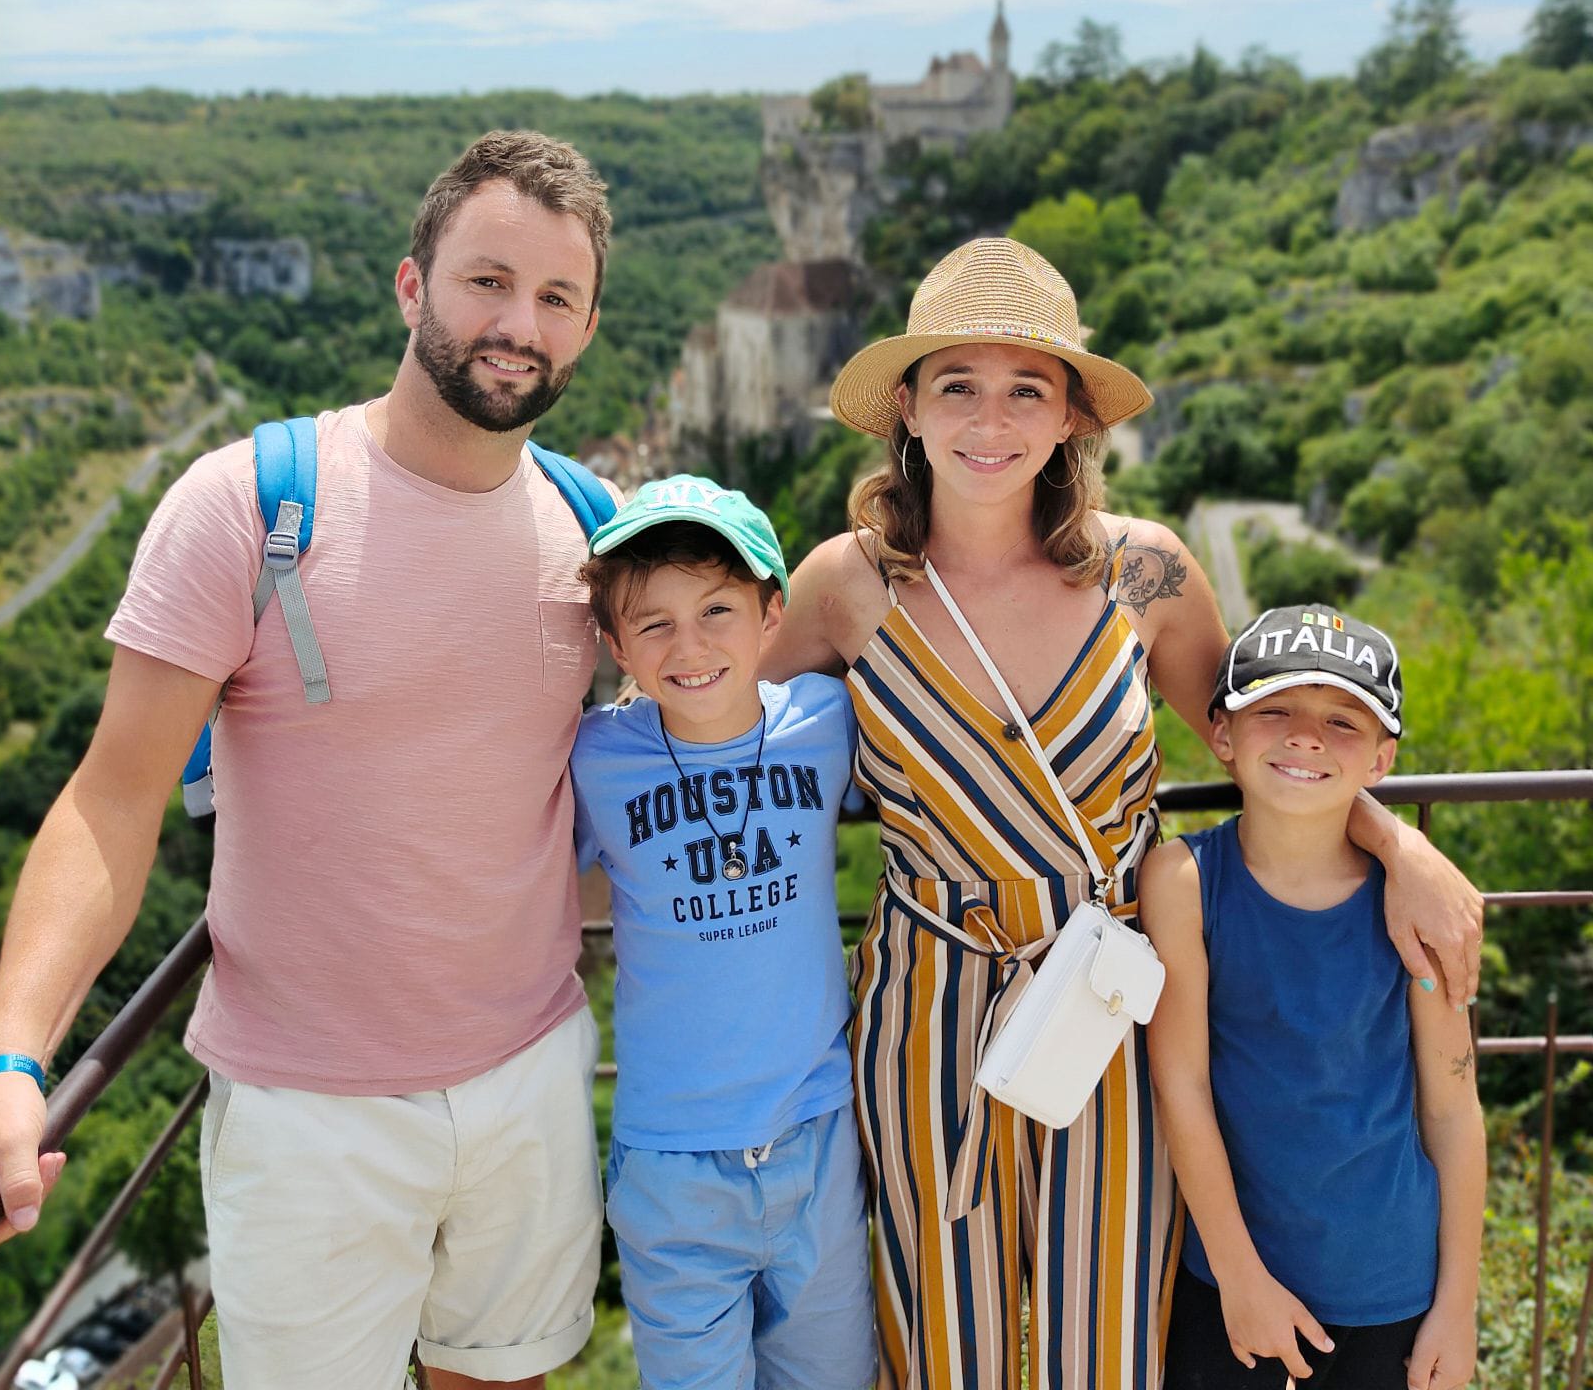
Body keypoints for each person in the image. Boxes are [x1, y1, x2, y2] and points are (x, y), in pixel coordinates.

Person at [761, 236, 1484, 1390]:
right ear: (905, 404)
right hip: (924, 1003)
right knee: (946, 1340)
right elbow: (722, 755)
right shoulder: (844, 583)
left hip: (1105, 997)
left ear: (1069, 421)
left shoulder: (1142, 573)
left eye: (1025, 389)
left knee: (1109, 1344)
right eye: (957, 384)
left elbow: (1263, 750)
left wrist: (1400, 844)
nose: (988, 419)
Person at [0, 130, 616, 1390]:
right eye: (485, 280)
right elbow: (111, 805)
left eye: (555, 298)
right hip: (307, 1107)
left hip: (534, 1071)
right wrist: (15, 1055)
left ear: (588, 330)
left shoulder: (596, 532)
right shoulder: (251, 506)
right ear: (408, 285)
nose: (518, 323)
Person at [571, 475, 877, 1390]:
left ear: (771, 613)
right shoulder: (594, 756)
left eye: (717, 609)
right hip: (673, 1166)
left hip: (816, 1138)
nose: (690, 645)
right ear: (614, 642)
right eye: (652, 623)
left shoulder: (829, 723)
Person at [1139, 606, 1484, 1390]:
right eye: (1276, 710)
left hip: (1392, 1290)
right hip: (1233, 1280)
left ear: (1382, 760)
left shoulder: (1416, 909)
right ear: (1221, 734)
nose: (1306, 737)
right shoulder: (1186, 883)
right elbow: (1182, 1087)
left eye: (1343, 721)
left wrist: (1457, 1306)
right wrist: (1240, 1280)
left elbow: (1452, 1111)